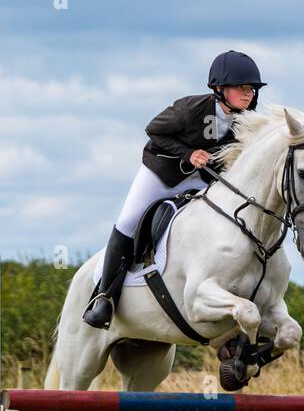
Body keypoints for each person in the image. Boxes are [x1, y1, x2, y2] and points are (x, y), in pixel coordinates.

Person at [82, 50, 267, 328]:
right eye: (241, 87)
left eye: (251, 88)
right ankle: (105, 297)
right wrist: (188, 153)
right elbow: (154, 131)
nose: (248, 93)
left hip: (203, 180)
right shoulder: (190, 109)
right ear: (219, 88)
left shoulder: (248, 120)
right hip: (162, 173)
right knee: (129, 220)